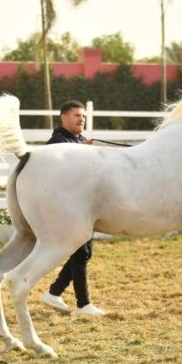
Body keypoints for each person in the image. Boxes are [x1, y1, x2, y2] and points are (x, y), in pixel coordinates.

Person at [39, 101, 106, 316]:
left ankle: (54, 292)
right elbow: (58, 167)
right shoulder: (57, 142)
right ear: (63, 117)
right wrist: (81, 150)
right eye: (77, 115)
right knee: (81, 253)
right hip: (66, 207)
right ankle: (83, 304)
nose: (81, 119)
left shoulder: (75, 141)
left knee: (84, 253)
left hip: (81, 206)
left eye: (83, 116)